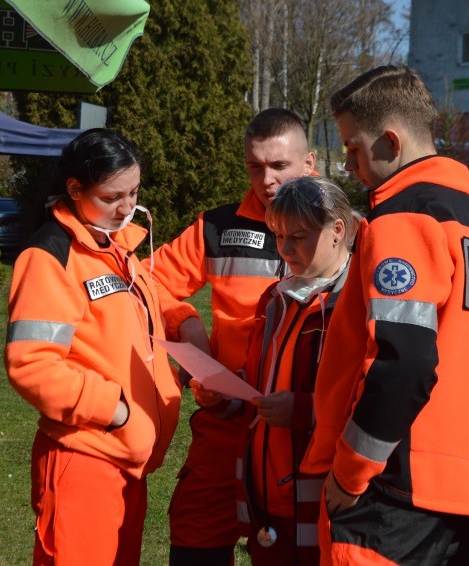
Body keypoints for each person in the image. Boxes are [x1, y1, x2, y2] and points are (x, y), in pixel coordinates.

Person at [299, 65, 469, 564]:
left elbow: (403, 361)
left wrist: (351, 470)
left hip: (390, 491)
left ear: (390, 142)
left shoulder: (402, 219)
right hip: (466, 497)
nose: (349, 165)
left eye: (355, 149)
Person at [4, 128, 182, 566]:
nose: (126, 207)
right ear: (75, 189)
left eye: (134, 192)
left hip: (126, 462)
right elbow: (31, 365)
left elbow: (146, 306)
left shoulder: (114, 245)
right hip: (84, 458)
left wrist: (188, 322)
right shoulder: (51, 255)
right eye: (112, 196)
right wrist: (117, 411)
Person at [149, 108, 316, 565]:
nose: (267, 180)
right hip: (225, 422)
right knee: (195, 541)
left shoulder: (343, 232)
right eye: (255, 166)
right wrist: (188, 326)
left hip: (302, 432)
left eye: (280, 166)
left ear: (310, 163)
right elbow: (150, 282)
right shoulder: (217, 227)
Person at [226, 176, 359, 565]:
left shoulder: (355, 303)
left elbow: (370, 398)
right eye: (279, 236)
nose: (285, 249)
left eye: (298, 237)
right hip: (268, 490)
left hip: (321, 498)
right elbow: (263, 375)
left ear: (337, 230)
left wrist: (302, 410)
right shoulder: (276, 298)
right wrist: (229, 391)